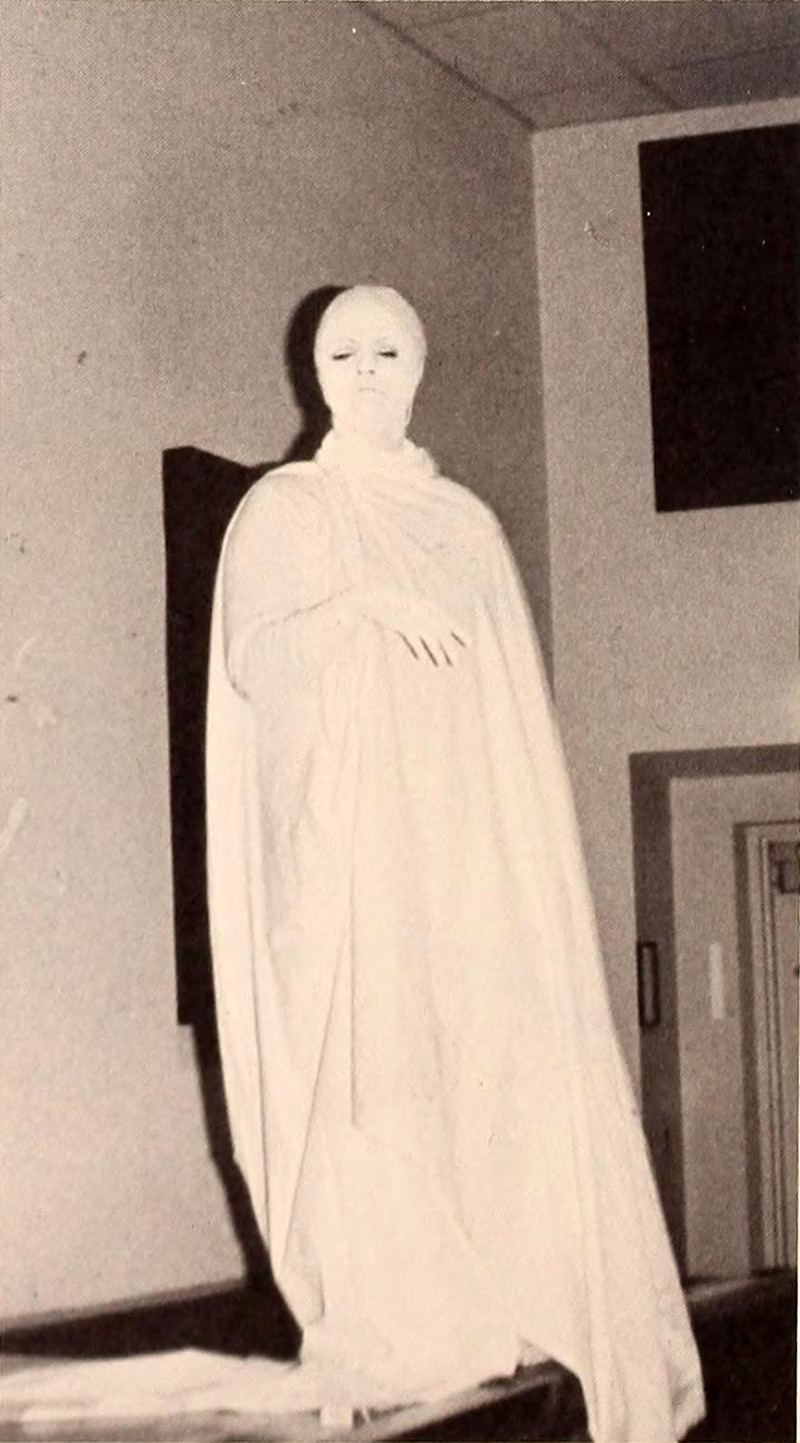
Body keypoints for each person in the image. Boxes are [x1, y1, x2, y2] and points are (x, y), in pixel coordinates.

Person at [205, 285, 705, 1440]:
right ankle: (397, 1318)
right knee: (363, 1074)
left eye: (386, 351)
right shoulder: (285, 508)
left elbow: (504, 718)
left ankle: (500, 1297)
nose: (364, 370)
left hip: (453, 848)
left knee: (479, 1057)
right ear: (313, 372)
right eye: (342, 352)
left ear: (420, 367)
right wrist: (362, 604)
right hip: (344, 853)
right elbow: (252, 664)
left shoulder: (464, 526)